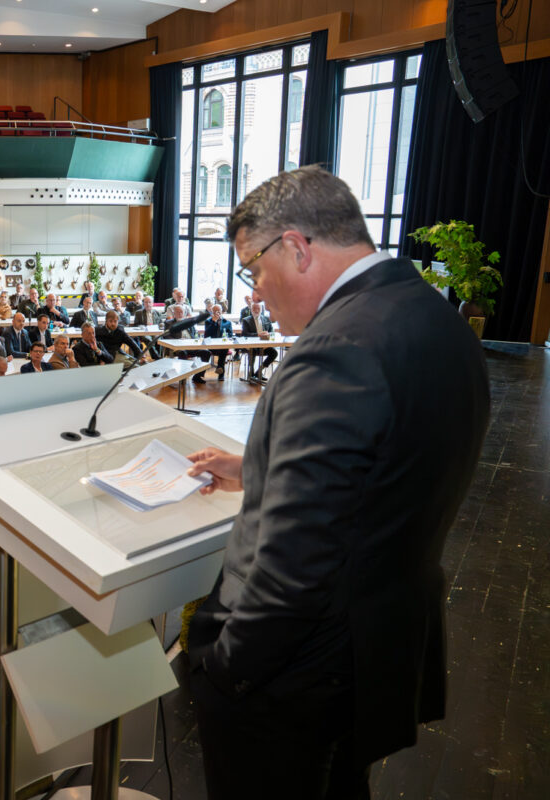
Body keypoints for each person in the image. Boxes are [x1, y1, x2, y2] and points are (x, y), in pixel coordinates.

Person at [182, 166, 489, 799]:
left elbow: (295, 567)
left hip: (296, 668)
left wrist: (227, 670)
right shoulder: (434, 317)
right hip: (377, 643)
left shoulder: (335, 349)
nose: (255, 292)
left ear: (296, 248)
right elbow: (384, 466)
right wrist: (257, 468)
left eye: (253, 270)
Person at [203, 304, 235, 380]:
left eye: (218, 311)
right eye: (214, 311)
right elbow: (207, 334)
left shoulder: (227, 322)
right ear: (212, 312)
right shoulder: (208, 322)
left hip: (222, 346)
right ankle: (220, 369)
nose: (217, 313)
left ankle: (220, 373)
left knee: (224, 349)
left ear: (222, 311)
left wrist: (226, 337)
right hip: (211, 346)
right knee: (222, 350)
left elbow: (230, 335)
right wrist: (214, 322)